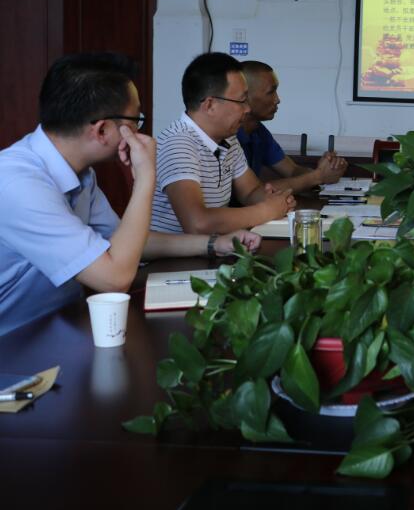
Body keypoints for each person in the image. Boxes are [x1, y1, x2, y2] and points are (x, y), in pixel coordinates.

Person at [0, 53, 260, 335]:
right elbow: (114, 278)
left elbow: (130, 242)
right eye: (136, 119)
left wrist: (214, 243)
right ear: (102, 130)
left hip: (61, 324)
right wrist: (146, 177)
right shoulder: (18, 183)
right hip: (13, 341)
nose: (139, 131)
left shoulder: (81, 174)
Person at [151, 52, 295, 235]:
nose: (247, 109)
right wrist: (266, 211)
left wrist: (275, 200)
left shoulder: (228, 138)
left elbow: (250, 191)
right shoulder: (178, 144)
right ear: (210, 105)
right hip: (171, 253)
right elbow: (197, 223)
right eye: (241, 101)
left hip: (215, 246)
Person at [237, 60, 348, 193]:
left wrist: (326, 171)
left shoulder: (258, 131)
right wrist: (318, 176)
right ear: (244, 97)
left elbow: (292, 170)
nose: (277, 99)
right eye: (271, 92)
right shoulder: (228, 137)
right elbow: (256, 192)